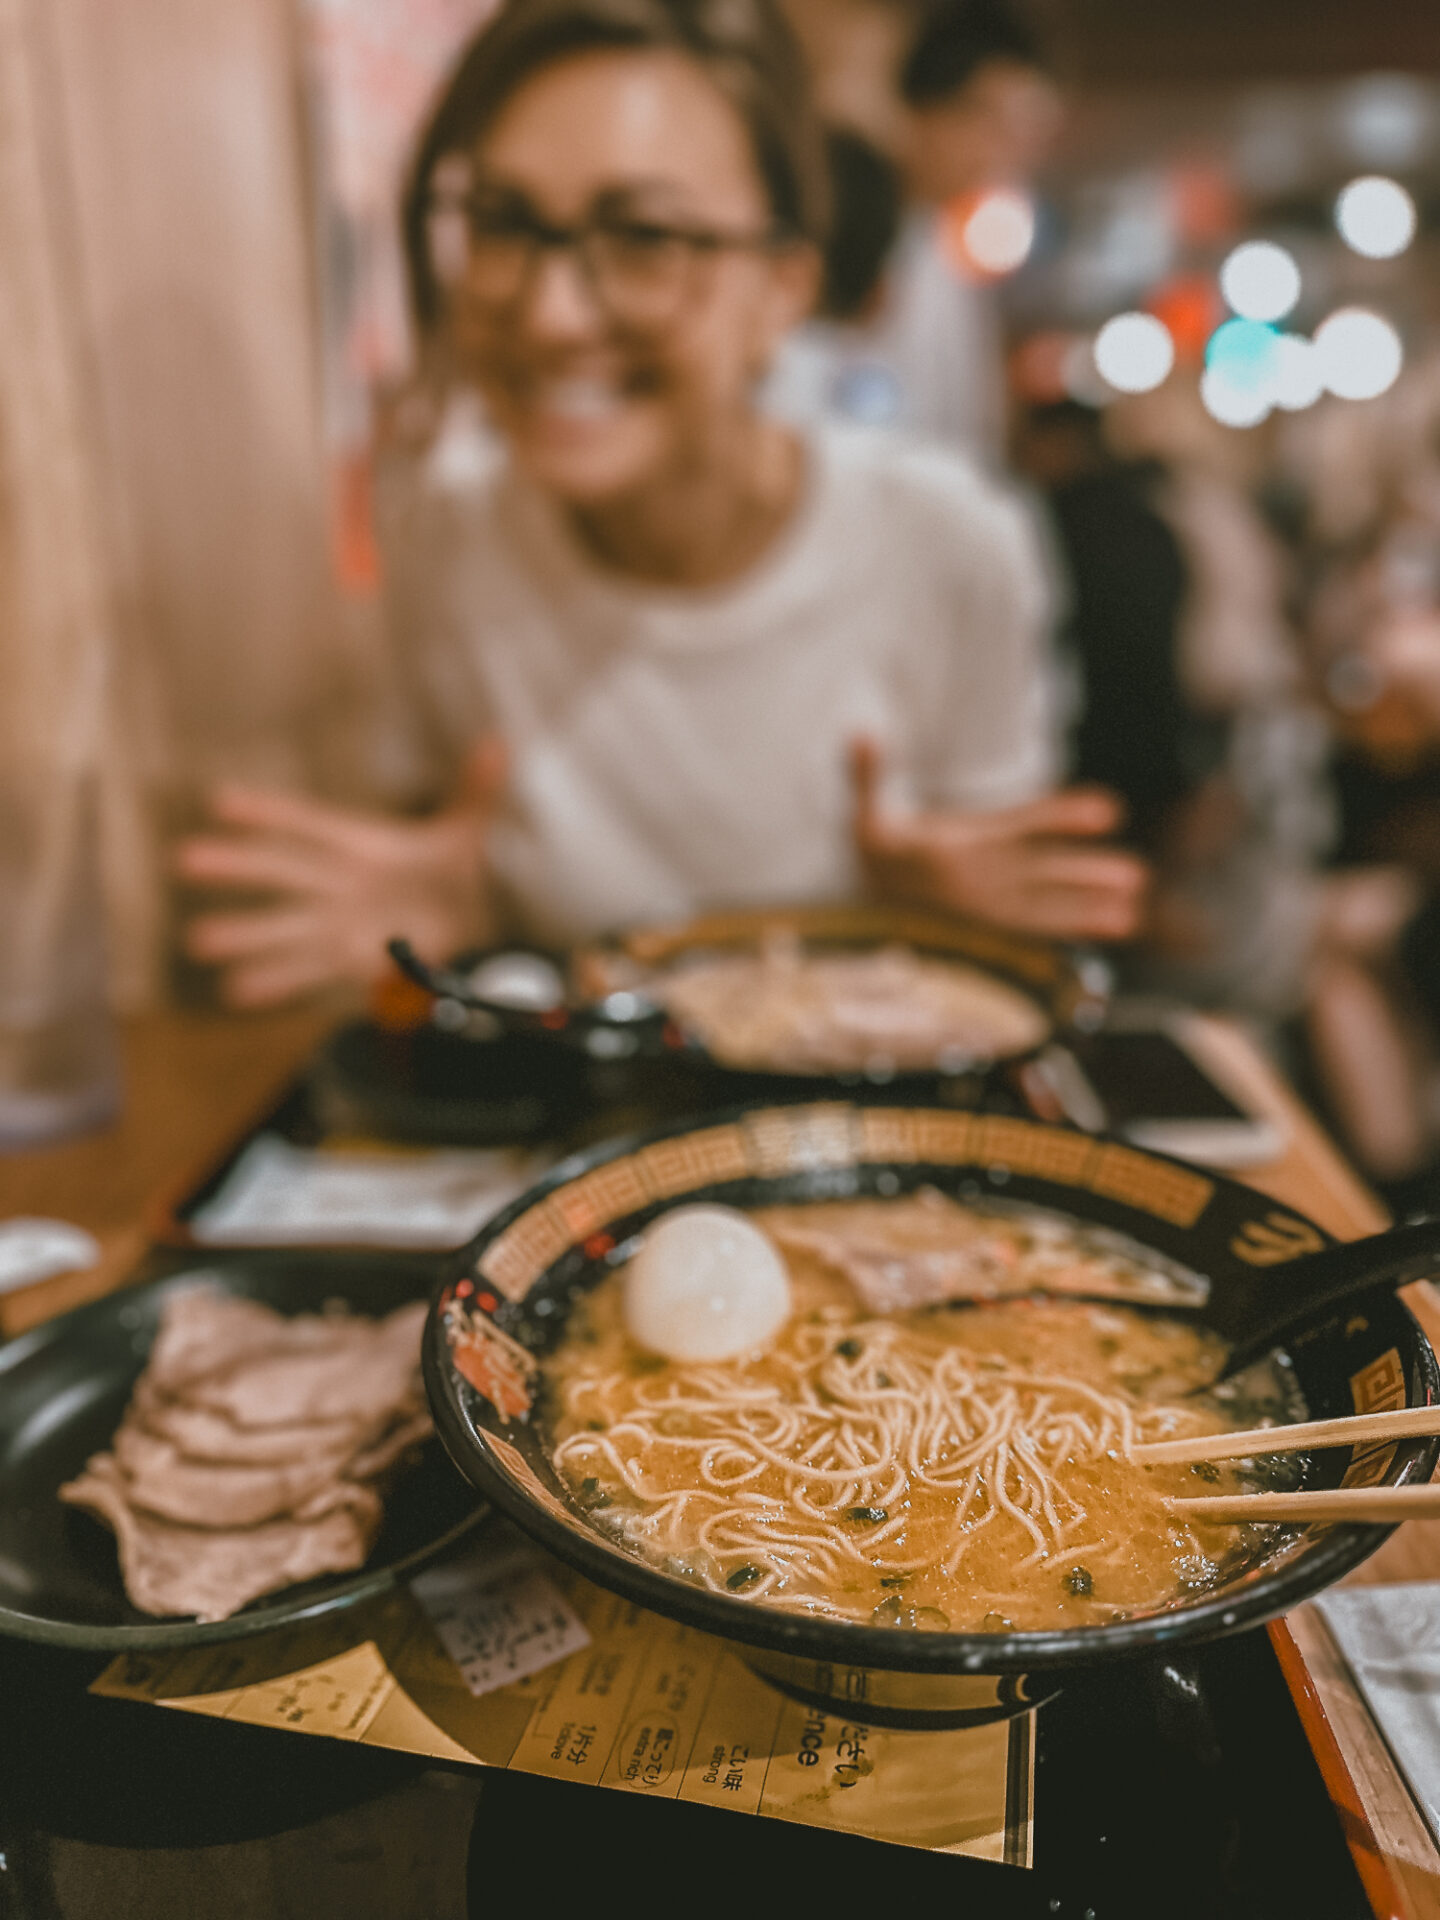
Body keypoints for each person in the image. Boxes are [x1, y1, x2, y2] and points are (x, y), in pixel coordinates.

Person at [177, 0, 1143, 1009]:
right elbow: (451, 889)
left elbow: (1017, 969)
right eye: (505, 224)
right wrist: (457, 919)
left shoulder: (950, 545)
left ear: (782, 289)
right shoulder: (446, 537)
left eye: (642, 237)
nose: (549, 314)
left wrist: (947, 924)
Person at [769, 0, 1062, 459]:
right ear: (919, 109)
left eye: (1017, 130)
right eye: (984, 118)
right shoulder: (845, 221)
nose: (999, 151)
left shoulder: (945, 252)